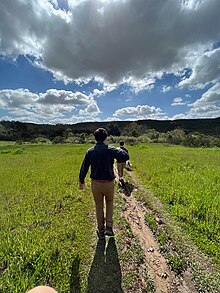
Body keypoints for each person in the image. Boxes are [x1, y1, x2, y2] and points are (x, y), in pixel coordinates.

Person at [79, 128, 129, 240]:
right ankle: (109, 227)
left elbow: (84, 167)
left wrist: (81, 181)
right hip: (109, 183)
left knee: (98, 206)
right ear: (106, 137)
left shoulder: (90, 151)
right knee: (110, 202)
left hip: (95, 183)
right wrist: (119, 149)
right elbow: (125, 156)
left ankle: (101, 231)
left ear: (95, 138)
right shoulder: (111, 150)